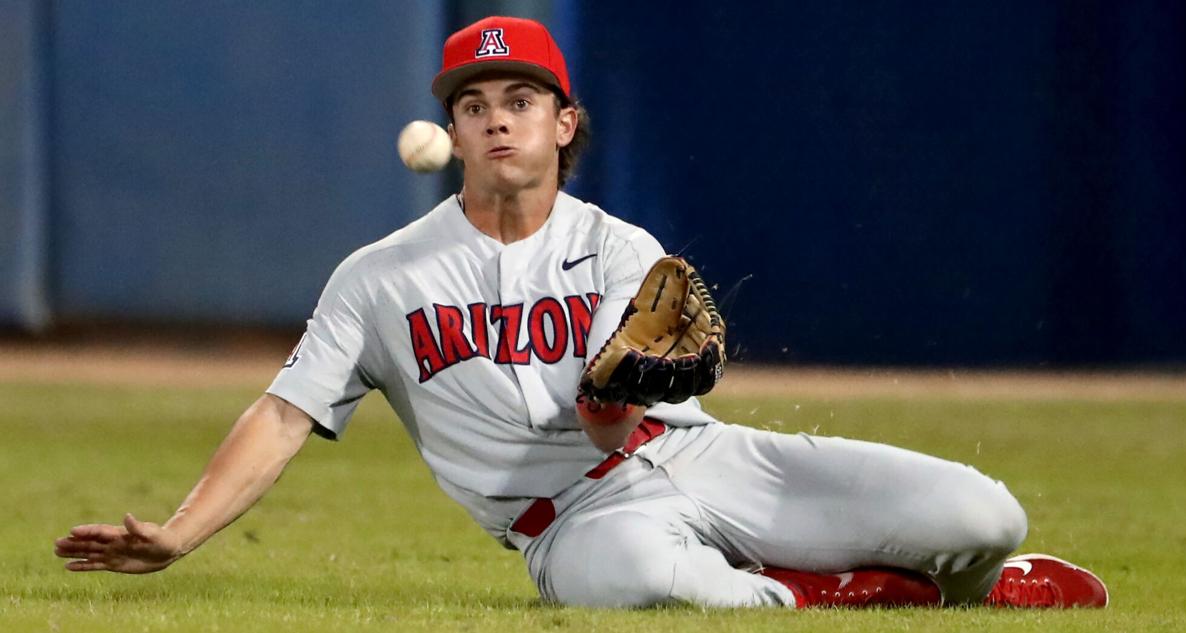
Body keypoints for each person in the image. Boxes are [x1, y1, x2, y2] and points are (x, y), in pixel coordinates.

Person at [54, 16, 1108, 609]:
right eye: (474, 106)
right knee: (656, 583)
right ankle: (849, 595)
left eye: (518, 102)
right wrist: (180, 534)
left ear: (564, 123)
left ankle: (978, 584)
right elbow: (285, 412)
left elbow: (614, 415)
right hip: (575, 525)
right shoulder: (377, 278)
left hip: (703, 460)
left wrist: (639, 386)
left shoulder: (620, 249)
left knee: (984, 512)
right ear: (454, 135)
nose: (496, 119)